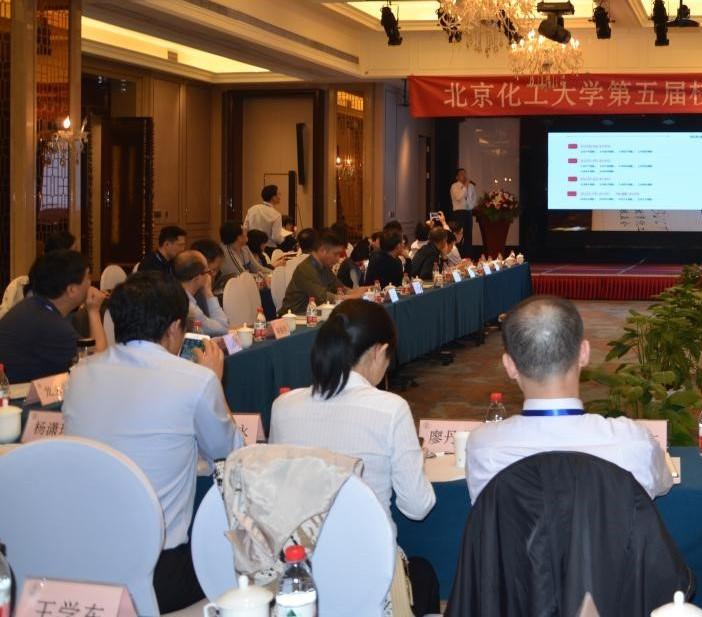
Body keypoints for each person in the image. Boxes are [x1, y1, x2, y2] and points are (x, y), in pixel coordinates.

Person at [63, 271, 241, 613]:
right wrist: (215, 383)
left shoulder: (81, 375)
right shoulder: (195, 379)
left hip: (85, 563)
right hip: (158, 574)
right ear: (174, 328)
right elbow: (228, 453)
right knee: (242, 552)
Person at [270, 299, 439, 615]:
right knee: (424, 574)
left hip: (302, 574)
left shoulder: (283, 407)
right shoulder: (391, 409)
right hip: (370, 576)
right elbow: (417, 507)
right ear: (378, 351)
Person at [465, 296, 673, 504]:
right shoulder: (634, 442)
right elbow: (663, 484)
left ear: (509, 365)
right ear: (584, 353)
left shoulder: (483, 446)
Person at [0, 250, 106, 382]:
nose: (90, 283)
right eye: (88, 277)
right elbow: (99, 364)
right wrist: (94, 310)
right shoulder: (49, 324)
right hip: (15, 394)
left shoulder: (32, 306)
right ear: (72, 290)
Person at [282, 232, 346, 315]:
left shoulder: (324, 266)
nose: (338, 259)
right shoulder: (305, 269)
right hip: (295, 317)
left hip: (312, 314)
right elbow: (324, 297)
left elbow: (342, 288)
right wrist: (353, 298)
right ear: (323, 251)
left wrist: (361, 292)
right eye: (336, 254)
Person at [173, 251, 230, 337]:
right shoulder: (189, 308)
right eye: (207, 271)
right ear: (197, 278)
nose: (210, 275)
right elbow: (223, 327)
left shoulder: (176, 293)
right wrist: (208, 292)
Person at [450, 168, 477, 252]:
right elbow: (458, 197)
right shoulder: (454, 186)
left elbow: (474, 198)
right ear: (457, 177)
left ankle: (468, 255)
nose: (464, 176)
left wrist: (471, 206)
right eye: (461, 174)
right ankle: (458, 254)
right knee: (459, 234)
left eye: (465, 174)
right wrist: (465, 186)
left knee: (468, 235)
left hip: (468, 212)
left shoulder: (471, 186)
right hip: (459, 212)